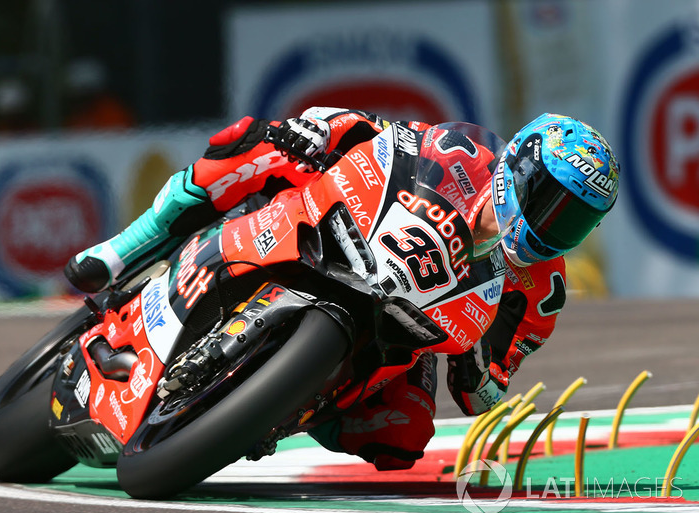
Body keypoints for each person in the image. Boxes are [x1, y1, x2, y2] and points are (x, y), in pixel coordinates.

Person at [65, 108, 619, 471]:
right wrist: (318, 131)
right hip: (346, 232)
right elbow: (381, 134)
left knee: (402, 438)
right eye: (549, 199)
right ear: (517, 166)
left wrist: (482, 375)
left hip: (407, 329)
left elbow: (487, 390)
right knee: (250, 144)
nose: (554, 226)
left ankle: (279, 409)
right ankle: (125, 248)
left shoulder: (541, 292)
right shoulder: (463, 153)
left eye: (574, 220)